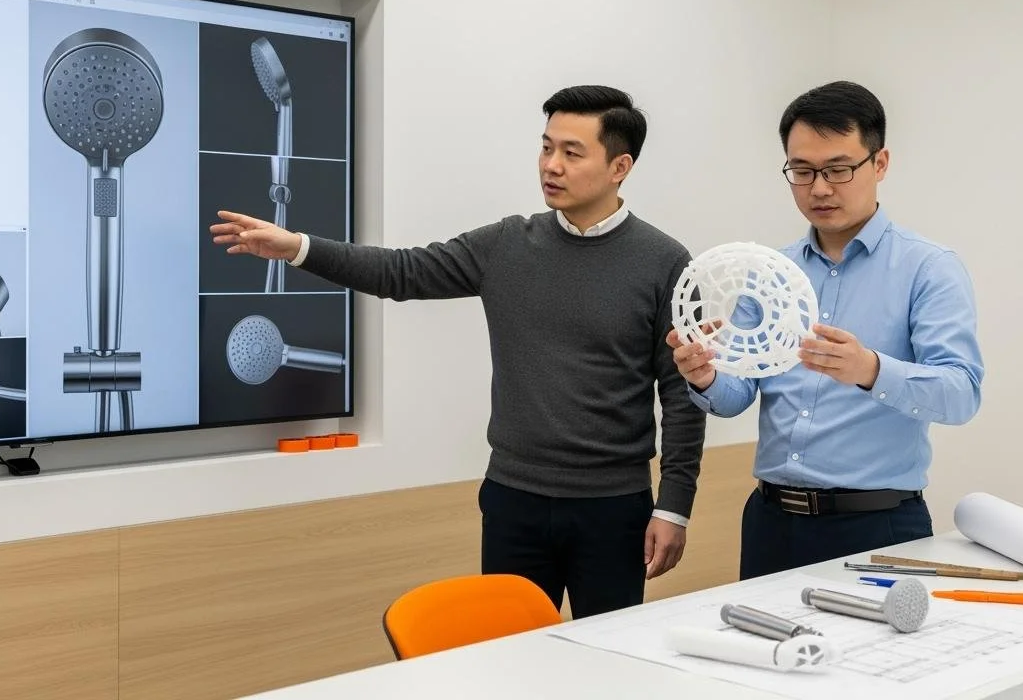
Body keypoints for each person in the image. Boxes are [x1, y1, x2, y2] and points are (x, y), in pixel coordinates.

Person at [210, 85, 706, 618]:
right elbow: (402, 272)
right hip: (514, 498)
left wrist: (674, 506)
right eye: (545, 148)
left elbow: (684, 393)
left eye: (571, 152)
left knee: (611, 668)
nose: (551, 165)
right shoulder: (508, 244)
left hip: (614, 508)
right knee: (508, 663)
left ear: (620, 167)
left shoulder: (667, 263)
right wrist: (299, 249)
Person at [667, 80, 984, 580]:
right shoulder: (770, 271)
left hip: (877, 524)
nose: (819, 187)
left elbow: (962, 394)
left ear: (879, 164)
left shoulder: (928, 268)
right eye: (802, 170)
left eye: (838, 169)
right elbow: (737, 394)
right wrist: (704, 375)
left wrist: (871, 370)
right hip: (771, 520)